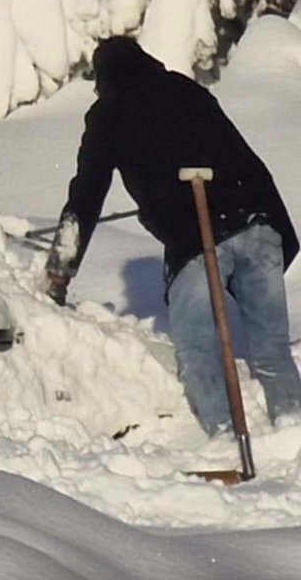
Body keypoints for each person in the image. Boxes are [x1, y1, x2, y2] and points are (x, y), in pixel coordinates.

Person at [44, 35, 301, 435]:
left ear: (104, 78)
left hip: (196, 233)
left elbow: (87, 194)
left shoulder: (109, 112)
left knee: (198, 348)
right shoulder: (186, 90)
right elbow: (235, 155)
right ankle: (292, 427)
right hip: (260, 220)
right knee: (270, 346)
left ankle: (224, 434)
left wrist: (60, 271)